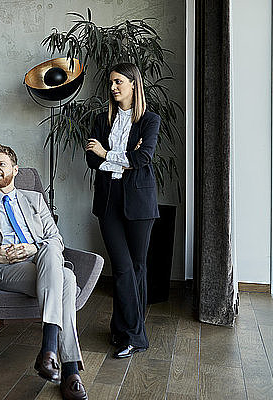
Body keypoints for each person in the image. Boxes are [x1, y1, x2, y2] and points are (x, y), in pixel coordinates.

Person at [0, 143, 87, 400]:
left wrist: (31, 248)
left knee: (54, 256)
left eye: (2, 164)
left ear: (15, 169)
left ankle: (52, 356)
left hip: (38, 261)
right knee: (66, 278)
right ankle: (67, 366)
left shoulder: (34, 199)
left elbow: (56, 239)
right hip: (4, 268)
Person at [85, 62, 160, 358]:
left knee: (137, 268)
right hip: (108, 199)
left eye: (118, 82)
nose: (113, 88)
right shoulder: (102, 121)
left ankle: (127, 332)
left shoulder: (149, 120)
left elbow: (142, 158)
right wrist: (119, 157)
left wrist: (107, 154)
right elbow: (92, 160)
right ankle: (132, 334)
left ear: (133, 84)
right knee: (123, 267)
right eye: (111, 83)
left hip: (139, 202)